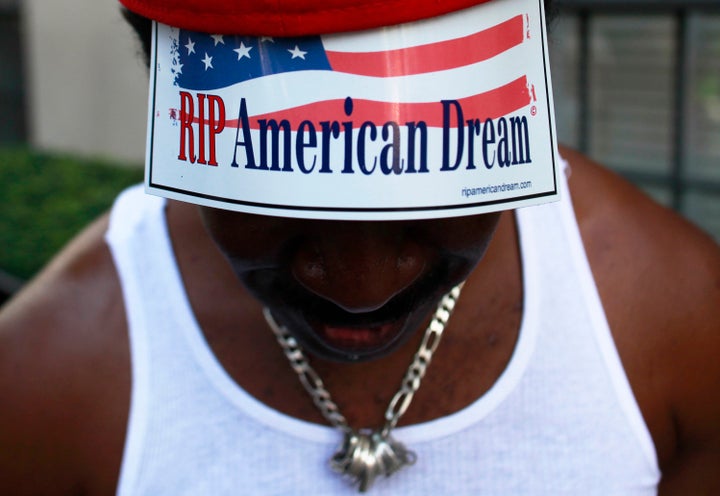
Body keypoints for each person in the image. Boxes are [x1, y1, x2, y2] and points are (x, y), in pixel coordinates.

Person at [1, 0, 719, 494]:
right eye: (272, 181)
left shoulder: (680, 325)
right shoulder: (46, 385)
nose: (361, 284)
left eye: (435, 162)